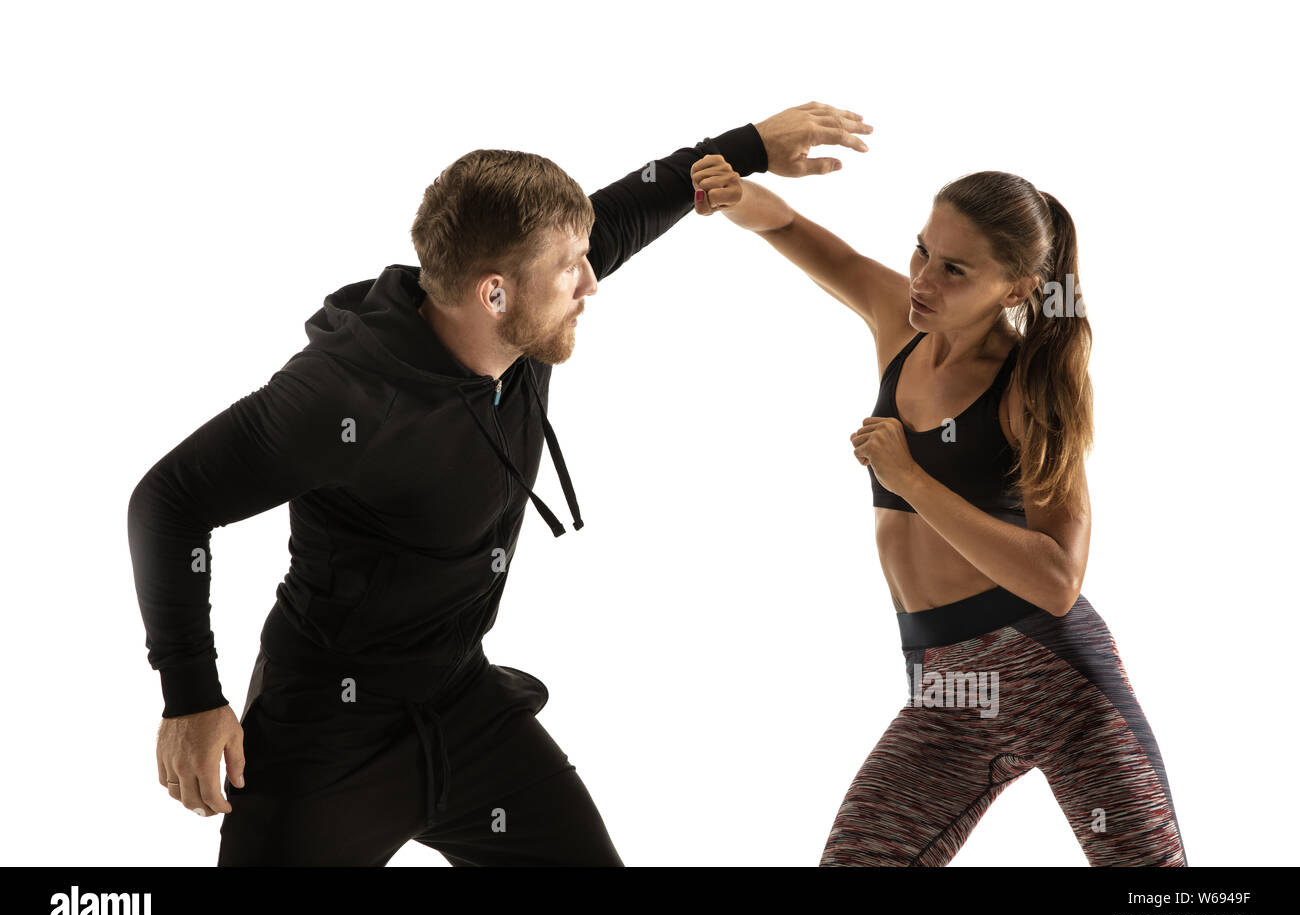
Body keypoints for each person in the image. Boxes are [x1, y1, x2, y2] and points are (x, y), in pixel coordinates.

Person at [127, 102, 871, 866]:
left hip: (461, 700)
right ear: (492, 293)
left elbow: (638, 201)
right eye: (571, 268)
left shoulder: (524, 308)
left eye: (586, 255)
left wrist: (746, 148)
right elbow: (169, 502)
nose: (592, 280)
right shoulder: (345, 396)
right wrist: (190, 696)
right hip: (330, 725)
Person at [692, 155, 1188, 866]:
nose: (923, 280)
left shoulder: (1029, 391)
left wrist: (912, 478)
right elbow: (798, 230)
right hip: (947, 694)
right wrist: (740, 196)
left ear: (1017, 287)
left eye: (955, 270)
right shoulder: (901, 321)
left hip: (1059, 684)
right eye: (923, 249)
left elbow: (1056, 580)